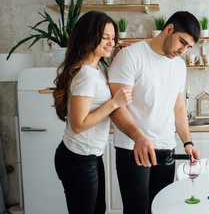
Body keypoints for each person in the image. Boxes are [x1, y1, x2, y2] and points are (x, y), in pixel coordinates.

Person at [108, 11, 201, 214]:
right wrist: (139, 137)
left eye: (188, 47)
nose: (183, 50)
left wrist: (188, 142)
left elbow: (178, 108)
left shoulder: (179, 65)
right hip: (133, 148)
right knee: (137, 211)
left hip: (166, 149)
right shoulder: (130, 55)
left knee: (161, 209)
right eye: (182, 42)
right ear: (169, 29)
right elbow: (116, 107)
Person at [53, 11, 132, 214]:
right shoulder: (85, 75)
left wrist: (113, 56)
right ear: (89, 37)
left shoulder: (97, 67)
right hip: (78, 159)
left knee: (98, 210)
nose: (111, 42)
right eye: (105, 37)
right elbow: (78, 125)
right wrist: (114, 103)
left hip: (90, 156)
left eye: (113, 38)